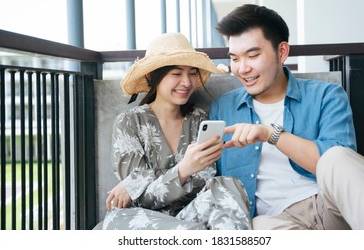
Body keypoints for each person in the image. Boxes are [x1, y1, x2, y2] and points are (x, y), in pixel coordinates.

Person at [210, 4, 364, 230]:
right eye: (234, 59)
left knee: (336, 157)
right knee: (257, 229)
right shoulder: (223, 108)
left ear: (282, 52)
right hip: (274, 221)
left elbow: (337, 167)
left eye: (253, 55)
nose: (242, 68)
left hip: (330, 207)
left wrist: (270, 134)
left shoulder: (326, 95)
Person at [98, 32, 251, 230]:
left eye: (192, 73)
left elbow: (203, 180)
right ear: (152, 76)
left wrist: (140, 180)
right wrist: (183, 170)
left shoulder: (200, 120)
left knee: (226, 184)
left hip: (189, 215)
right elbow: (139, 199)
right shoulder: (129, 122)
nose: (187, 82)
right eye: (176, 74)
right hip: (142, 219)